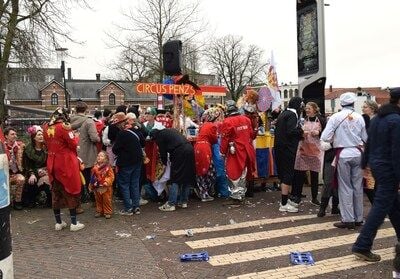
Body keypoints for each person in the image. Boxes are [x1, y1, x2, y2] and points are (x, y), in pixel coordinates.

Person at [352, 88, 400, 262]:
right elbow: (397, 151)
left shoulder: (379, 119)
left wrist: (365, 163)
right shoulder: (396, 120)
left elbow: (369, 142)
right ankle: (362, 245)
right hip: (389, 169)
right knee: (380, 208)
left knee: (394, 206)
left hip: (377, 166)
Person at [321, 92, 367, 230]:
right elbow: (365, 138)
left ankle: (348, 219)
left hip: (343, 153)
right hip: (357, 152)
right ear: (353, 103)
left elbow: (325, 136)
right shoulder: (359, 117)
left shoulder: (335, 117)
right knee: (357, 186)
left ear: (341, 104)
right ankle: (359, 218)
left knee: (345, 186)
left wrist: (337, 137)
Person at [44, 108, 85, 231]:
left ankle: (58, 222)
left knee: (56, 192)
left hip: (52, 162)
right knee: (70, 190)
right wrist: (76, 137)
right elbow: (73, 144)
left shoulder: (46, 127)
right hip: (66, 162)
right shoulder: (64, 127)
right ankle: (73, 223)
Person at [150, 127, 195, 211]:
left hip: (180, 152)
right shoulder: (169, 131)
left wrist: (164, 164)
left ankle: (171, 203)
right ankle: (183, 201)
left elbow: (163, 153)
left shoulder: (159, 137)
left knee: (175, 178)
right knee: (187, 176)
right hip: (189, 149)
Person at [220, 100, 256, 201]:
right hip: (247, 150)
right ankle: (241, 192)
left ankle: (235, 193)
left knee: (233, 171)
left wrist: (222, 151)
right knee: (244, 171)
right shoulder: (246, 119)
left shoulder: (227, 122)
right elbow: (251, 135)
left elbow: (225, 138)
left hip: (234, 151)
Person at [274, 97, 304, 213]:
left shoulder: (284, 113)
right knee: (287, 175)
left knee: (283, 175)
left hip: (280, 148)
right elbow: (291, 131)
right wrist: (301, 131)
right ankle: (284, 203)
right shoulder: (292, 115)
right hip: (287, 149)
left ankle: (285, 200)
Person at [292, 102, 326, 206]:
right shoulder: (302, 119)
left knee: (314, 175)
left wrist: (318, 133)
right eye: (306, 108)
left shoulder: (321, 119)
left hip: (315, 151)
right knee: (300, 174)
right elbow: (296, 131)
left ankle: (315, 198)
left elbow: (326, 132)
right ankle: (297, 196)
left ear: (315, 109)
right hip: (303, 149)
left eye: (309, 108)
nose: (307, 110)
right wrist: (302, 133)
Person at [112, 114, 144, 216]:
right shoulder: (136, 131)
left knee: (124, 184)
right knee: (134, 184)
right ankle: (136, 206)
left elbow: (115, 149)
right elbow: (143, 143)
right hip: (138, 161)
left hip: (126, 162)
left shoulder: (122, 134)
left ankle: (128, 208)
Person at [70, 101, 100, 204]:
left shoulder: (69, 121)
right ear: (86, 110)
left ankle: (80, 197)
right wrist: (99, 137)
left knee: (77, 176)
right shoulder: (89, 121)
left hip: (73, 153)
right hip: (87, 153)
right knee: (89, 176)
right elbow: (94, 138)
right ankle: (92, 197)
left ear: (76, 110)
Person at [194, 108, 220, 202]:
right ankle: (204, 193)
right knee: (209, 171)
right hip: (205, 148)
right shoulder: (212, 126)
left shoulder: (203, 125)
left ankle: (202, 191)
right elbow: (214, 140)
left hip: (198, 147)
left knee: (201, 170)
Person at [22, 125, 51, 208]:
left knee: (47, 180)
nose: (41, 136)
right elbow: (26, 165)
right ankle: (31, 200)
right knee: (32, 180)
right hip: (32, 171)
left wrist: (45, 171)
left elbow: (50, 161)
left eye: (42, 134)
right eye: (38, 135)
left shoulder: (46, 147)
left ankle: (50, 201)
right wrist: (32, 173)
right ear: (34, 137)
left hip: (45, 171)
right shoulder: (28, 149)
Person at [361, 100, 379, 204]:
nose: (363, 108)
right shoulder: (366, 120)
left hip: (373, 155)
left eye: (365, 107)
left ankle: (377, 207)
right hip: (370, 154)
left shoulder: (375, 121)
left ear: (372, 109)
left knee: (369, 184)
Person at [4, 127, 25, 210]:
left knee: (21, 179)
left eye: (15, 134)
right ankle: (6, 203)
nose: (15, 136)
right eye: (12, 134)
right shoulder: (2, 146)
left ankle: (17, 202)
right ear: (6, 136)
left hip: (15, 173)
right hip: (4, 173)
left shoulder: (20, 145)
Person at [89, 151, 115, 219]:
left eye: (101, 156)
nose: (99, 157)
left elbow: (111, 176)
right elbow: (92, 176)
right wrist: (91, 184)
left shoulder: (108, 167)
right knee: (98, 199)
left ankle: (107, 212)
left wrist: (107, 181)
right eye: (98, 155)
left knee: (106, 199)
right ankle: (99, 211)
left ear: (106, 158)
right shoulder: (95, 167)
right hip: (97, 186)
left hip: (105, 187)